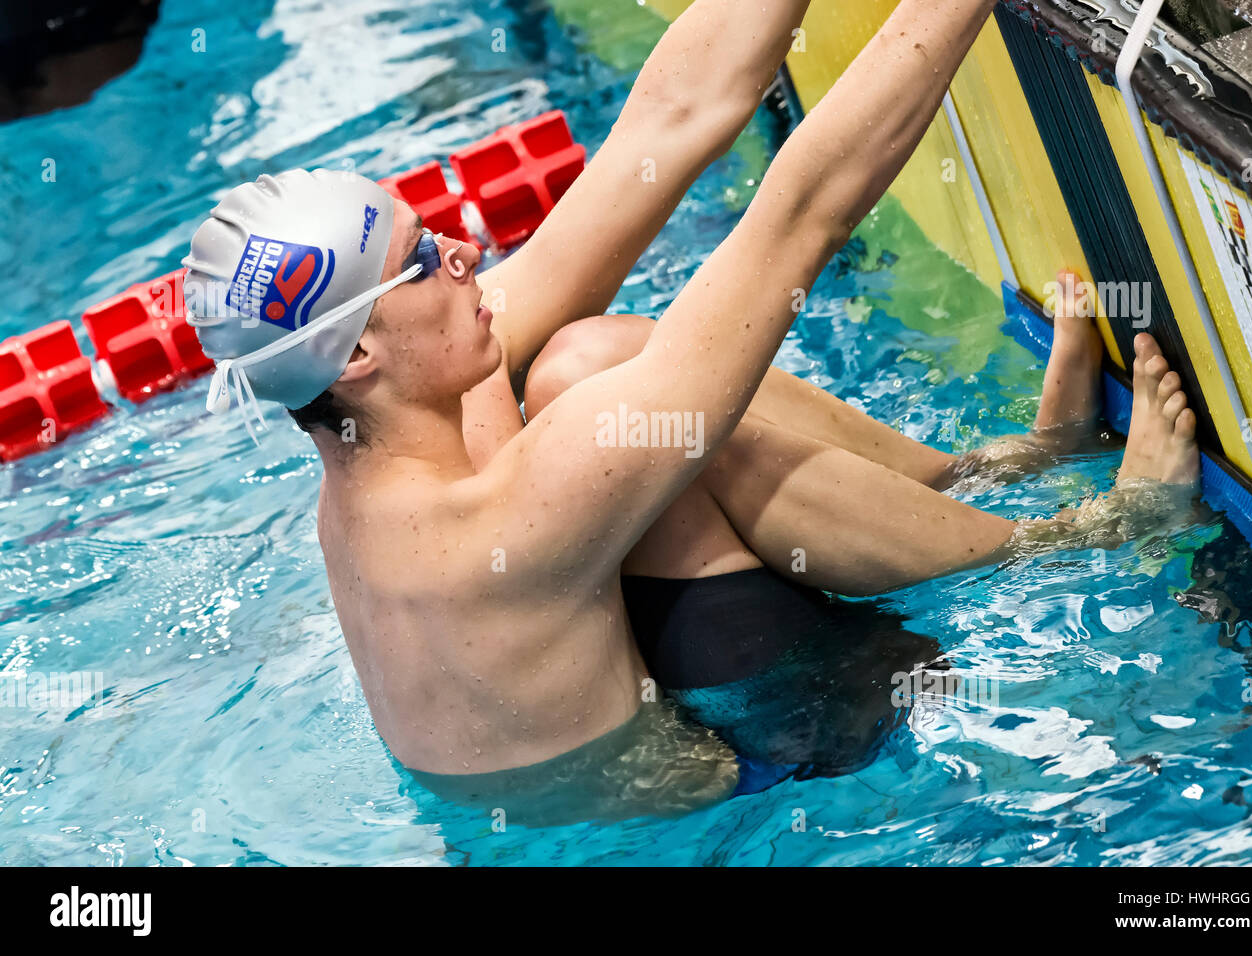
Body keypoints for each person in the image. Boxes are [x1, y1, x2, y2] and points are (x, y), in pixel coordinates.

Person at [183, 0, 1200, 821]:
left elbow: (669, 121)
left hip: (649, 702)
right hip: (751, 780)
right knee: (650, 431)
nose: (461, 250)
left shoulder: (395, 423)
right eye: (419, 259)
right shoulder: (482, 530)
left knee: (590, 358)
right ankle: (1080, 535)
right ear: (358, 352)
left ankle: (991, 465)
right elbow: (802, 214)